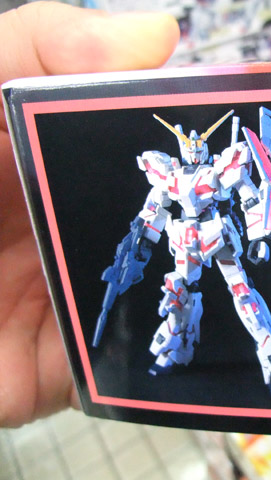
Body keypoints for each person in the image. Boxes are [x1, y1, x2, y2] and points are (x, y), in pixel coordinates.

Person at [0, 1, 179, 428]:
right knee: (173, 296)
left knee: (239, 292)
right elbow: (150, 214)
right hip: (176, 240)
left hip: (211, 235)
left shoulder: (215, 170)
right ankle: (170, 350)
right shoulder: (164, 171)